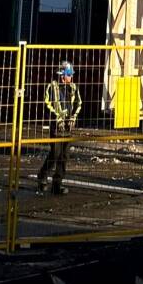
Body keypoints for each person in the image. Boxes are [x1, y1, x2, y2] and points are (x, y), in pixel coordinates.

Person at [37, 60, 81, 195]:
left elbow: (78, 103)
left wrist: (73, 117)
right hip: (56, 127)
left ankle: (57, 184)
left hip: (68, 127)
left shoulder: (73, 88)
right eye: (66, 75)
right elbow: (47, 104)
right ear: (61, 75)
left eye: (69, 75)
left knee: (64, 156)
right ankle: (42, 177)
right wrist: (57, 118)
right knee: (55, 153)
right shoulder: (52, 87)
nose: (68, 77)